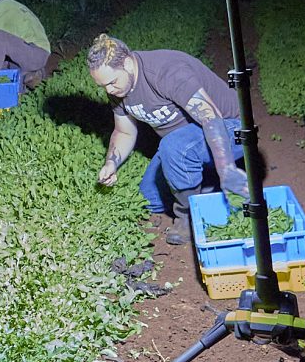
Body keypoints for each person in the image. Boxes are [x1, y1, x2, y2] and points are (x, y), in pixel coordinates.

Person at [87, 33, 248, 245]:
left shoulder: (166, 71)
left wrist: (226, 168)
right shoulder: (118, 87)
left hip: (231, 129)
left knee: (174, 147)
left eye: (112, 82)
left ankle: (188, 217)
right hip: (186, 144)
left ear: (126, 63)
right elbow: (124, 132)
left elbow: (211, 118)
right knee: (148, 199)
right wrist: (111, 163)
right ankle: (206, 185)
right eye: (103, 86)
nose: (109, 90)